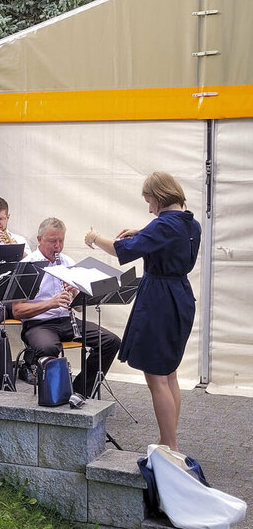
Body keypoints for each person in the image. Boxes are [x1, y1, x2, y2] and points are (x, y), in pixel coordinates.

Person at [84, 172, 200, 451]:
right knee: (169, 373)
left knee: (156, 376)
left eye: (149, 201)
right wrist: (142, 232)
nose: (149, 208)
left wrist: (94, 237)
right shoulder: (191, 223)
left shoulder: (163, 225)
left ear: (159, 197)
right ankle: (167, 440)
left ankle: (169, 445)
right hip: (180, 295)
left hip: (159, 300)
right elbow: (167, 238)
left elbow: (121, 250)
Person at [13, 217, 121, 396]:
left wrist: (76, 294)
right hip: (38, 324)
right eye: (52, 241)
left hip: (66, 321)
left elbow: (79, 308)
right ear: (39, 240)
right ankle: (53, 396)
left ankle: (79, 392)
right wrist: (50, 303)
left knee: (111, 341)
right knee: (48, 348)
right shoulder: (27, 266)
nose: (57, 246)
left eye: (61, 241)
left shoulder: (68, 262)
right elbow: (17, 311)